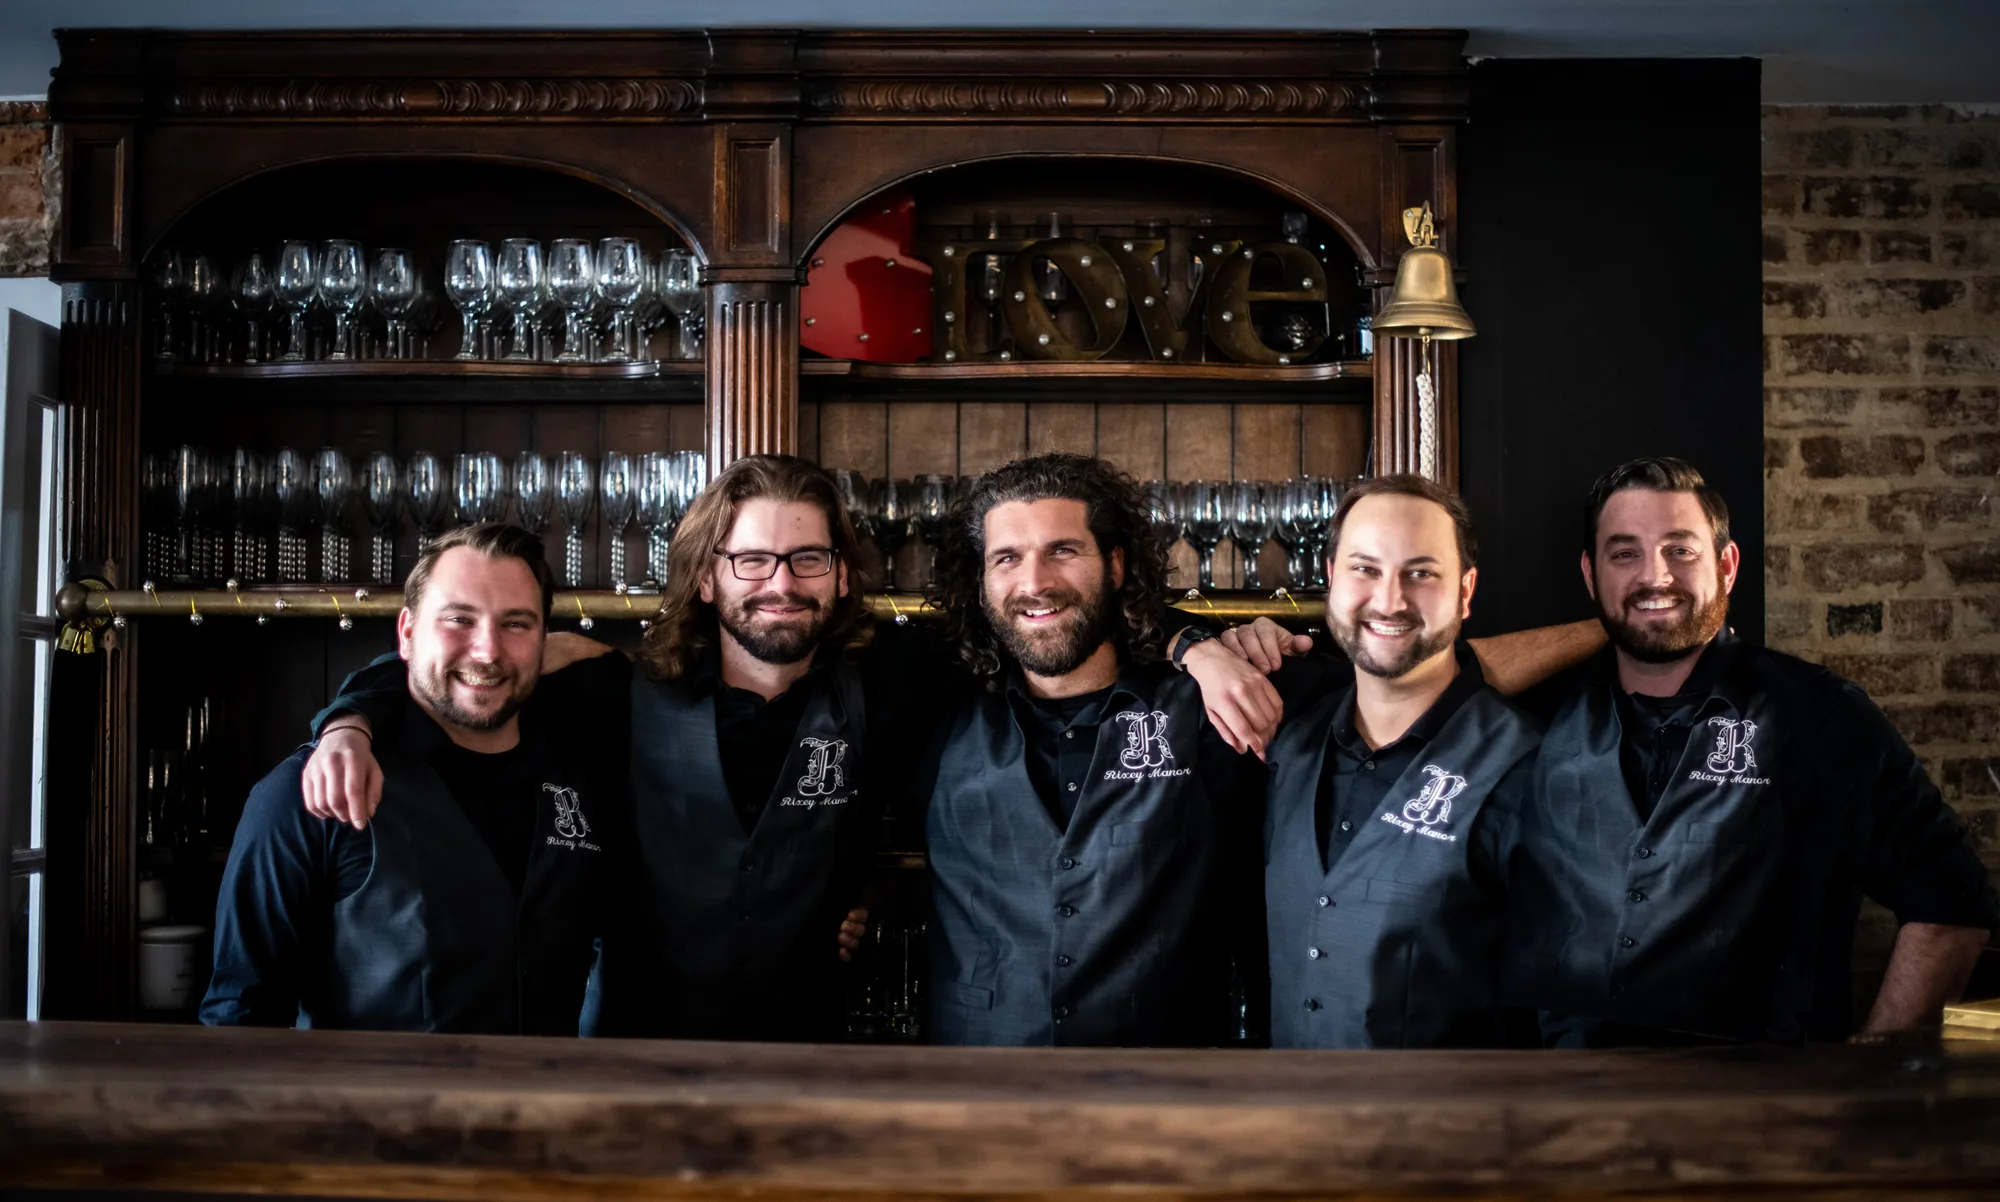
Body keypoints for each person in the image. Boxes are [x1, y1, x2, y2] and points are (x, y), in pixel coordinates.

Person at [300, 456, 877, 1040]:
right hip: (632, 1061)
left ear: (842, 575)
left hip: (807, 1058)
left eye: (809, 559)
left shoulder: (883, 694)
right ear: (707, 578)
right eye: (752, 560)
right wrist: (348, 721)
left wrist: (859, 899)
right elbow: (453, 669)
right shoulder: (615, 689)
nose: (781, 583)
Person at [1506, 456, 1997, 1044]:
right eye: (1624, 554)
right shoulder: (1540, 718)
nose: (1655, 574)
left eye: (1680, 550)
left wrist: (1874, 1070)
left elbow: (1950, 904)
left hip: (1766, 1109)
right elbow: (1433, 674)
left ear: (1728, 565)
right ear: (1590, 576)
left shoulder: (1819, 714)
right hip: (1563, 1104)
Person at [202, 524, 621, 1033]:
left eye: (516, 624)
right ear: (406, 633)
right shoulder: (306, 792)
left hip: (553, 1108)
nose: (487, 651)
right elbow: (240, 1018)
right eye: (458, 620)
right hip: (368, 1111)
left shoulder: (585, 776)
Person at [1239, 474, 1541, 1048]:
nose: (1389, 600)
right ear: (1330, 579)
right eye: (1365, 569)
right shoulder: (1287, 746)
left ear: (1466, 591)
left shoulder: (1528, 767)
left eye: (1421, 573)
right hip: (1285, 1124)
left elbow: (1560, 1013)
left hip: (1446, 1129)